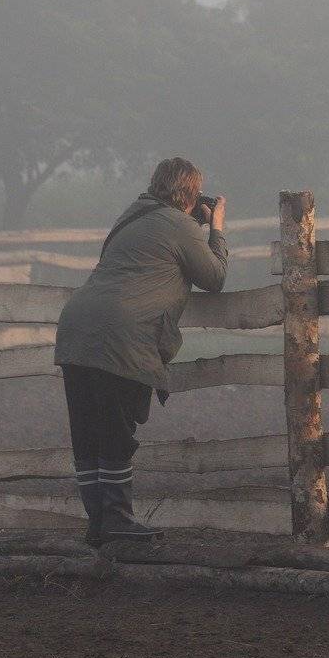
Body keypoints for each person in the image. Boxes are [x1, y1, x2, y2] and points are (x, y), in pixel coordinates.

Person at [54, 158, 228, 544]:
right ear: (192, 194)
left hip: (76, 331)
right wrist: (215, 228)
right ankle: (117, 519)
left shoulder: (131, 215)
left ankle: (99, 523)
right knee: (115, 432)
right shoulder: (181, 225)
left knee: (88, 433)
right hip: (121, 336)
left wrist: (192, 224)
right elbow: (214, 277)